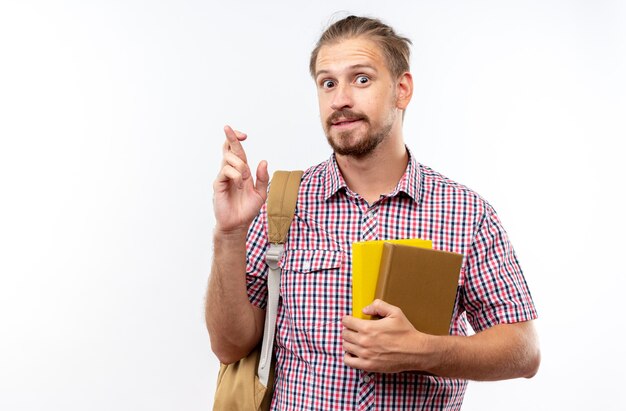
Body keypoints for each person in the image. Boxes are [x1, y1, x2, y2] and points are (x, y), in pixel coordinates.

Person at [206, 15, 540, 410]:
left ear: (402, 89)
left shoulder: (467, 213)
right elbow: (229, 346)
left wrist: (426, 351)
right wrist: (229, 233)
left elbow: (523, 350)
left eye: (361, 79)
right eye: (327, 83)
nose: (340, 99)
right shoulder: (282, 203)